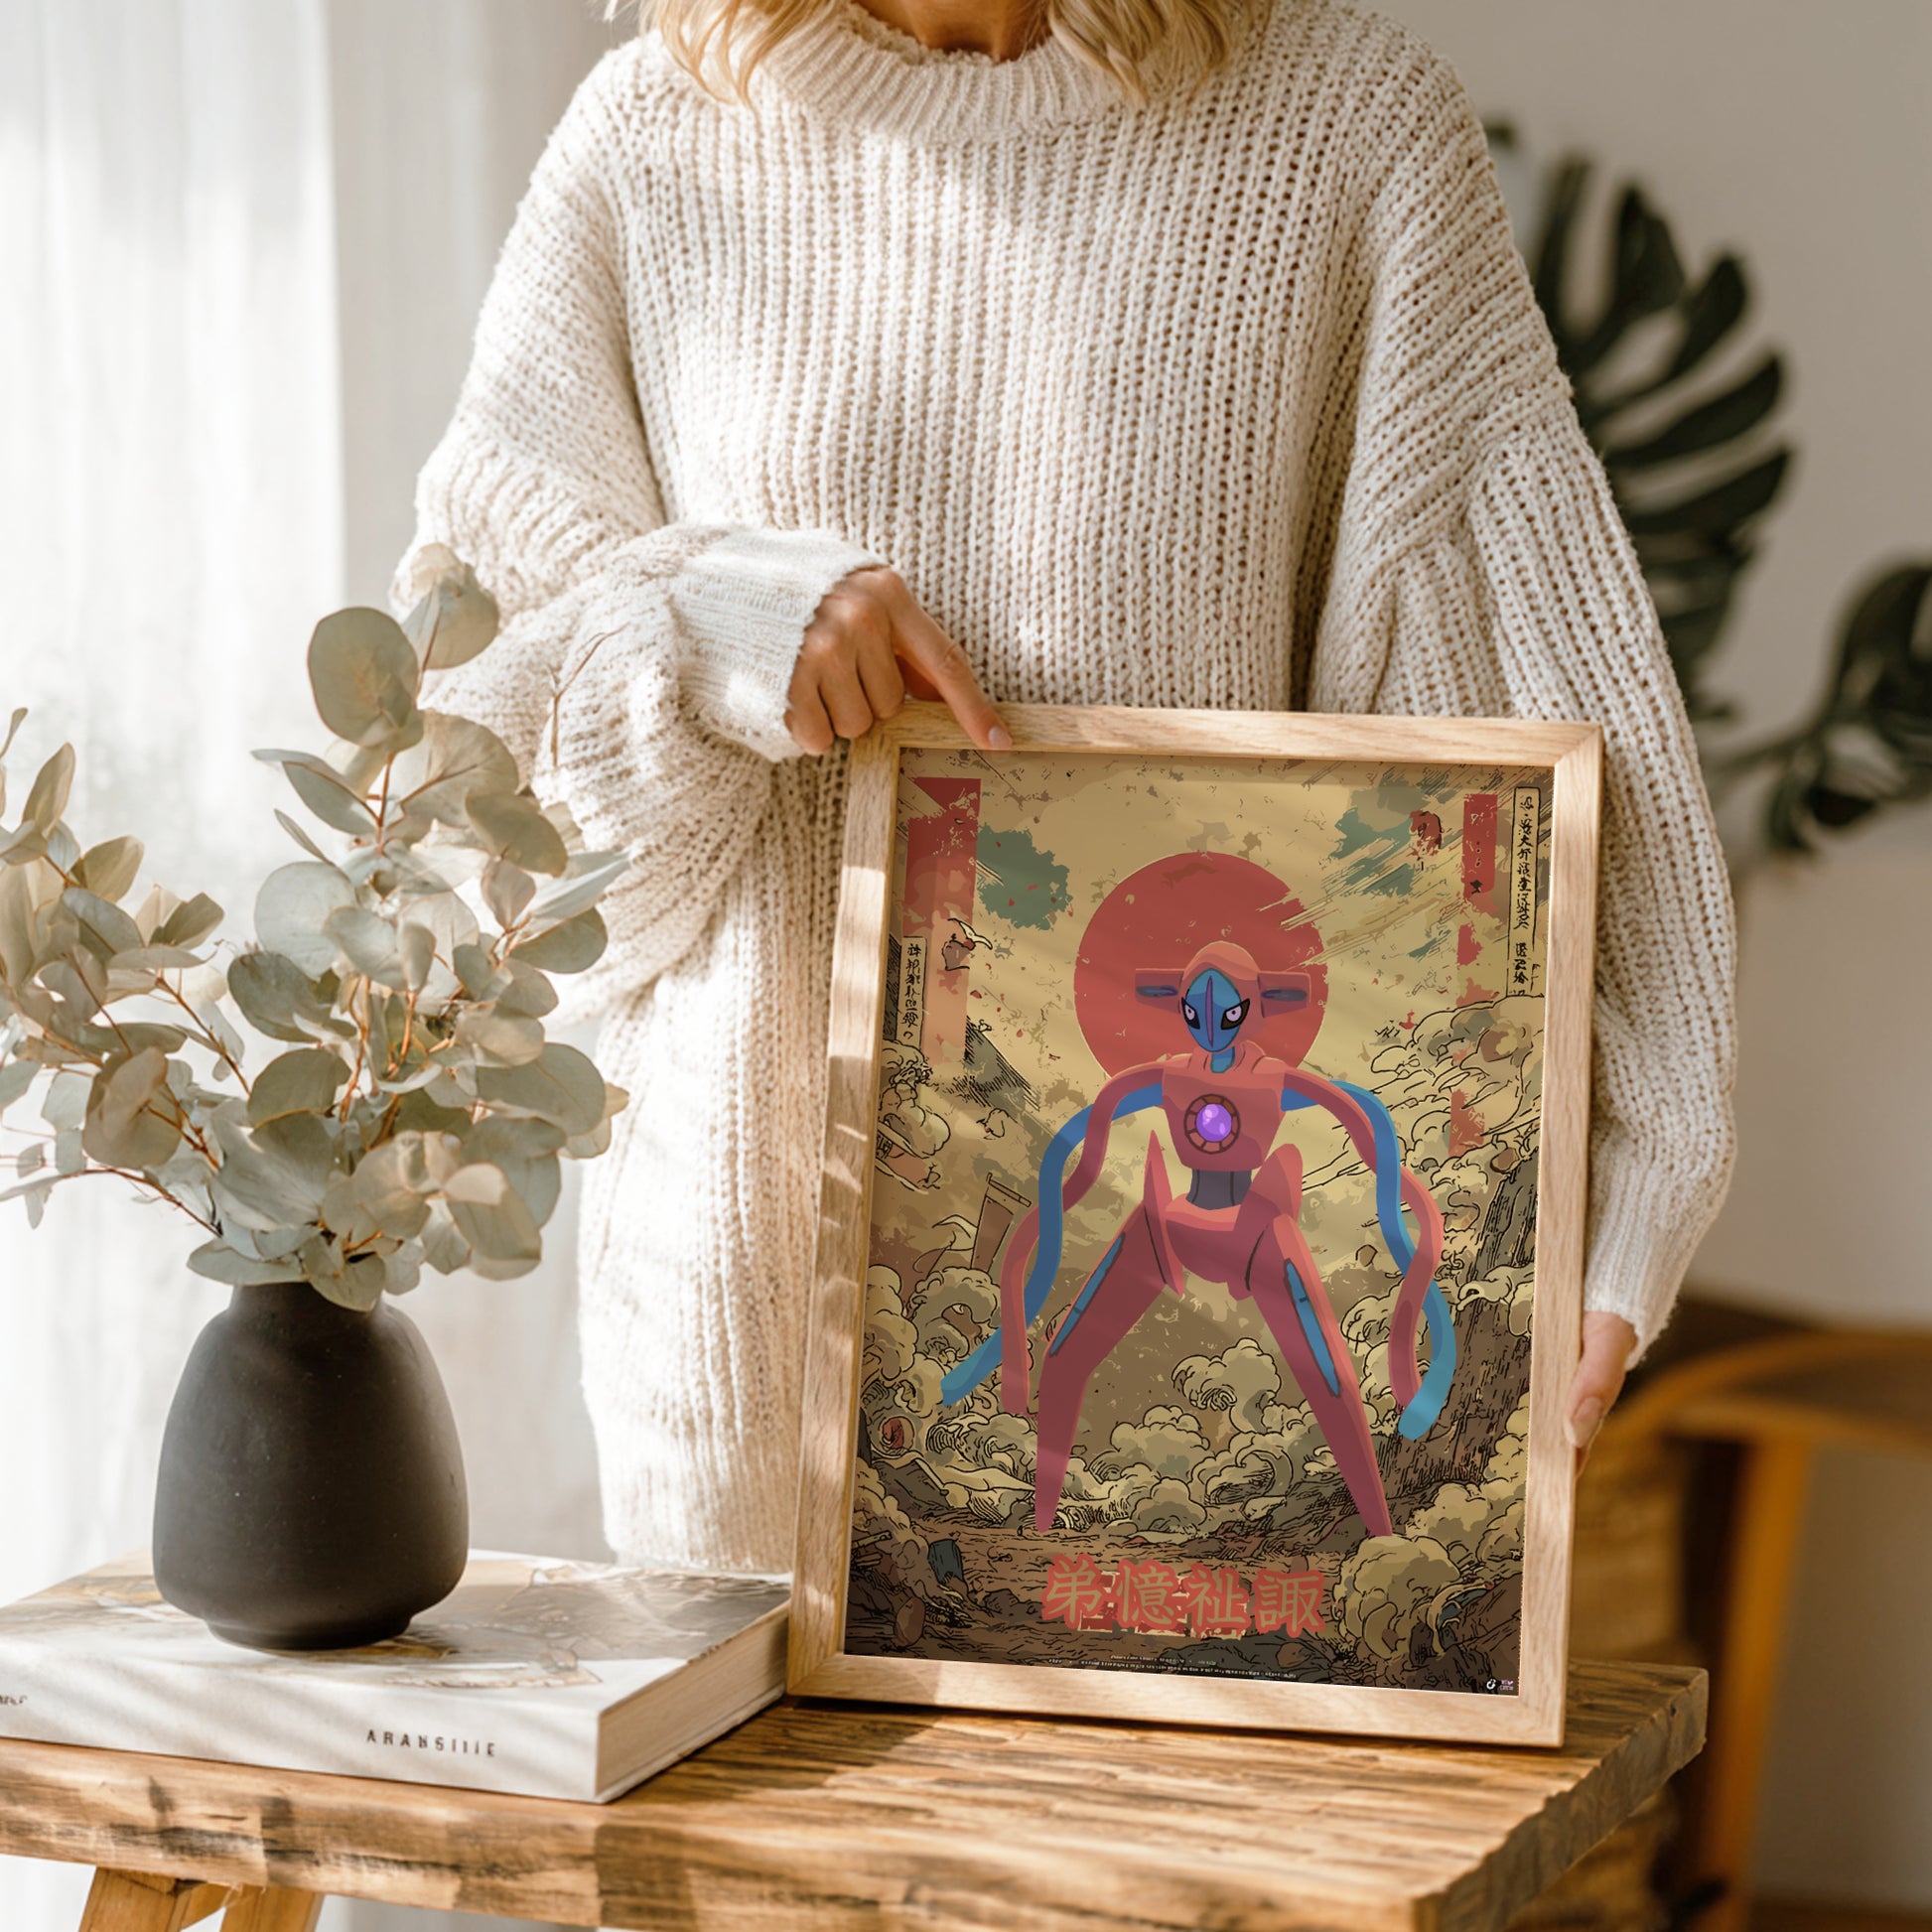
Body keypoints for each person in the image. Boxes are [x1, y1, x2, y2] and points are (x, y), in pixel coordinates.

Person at [392, 0, 1736, 1576]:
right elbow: (465, 822)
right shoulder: (649, 142)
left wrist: (1623, 1172)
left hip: (1213, 1423)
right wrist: (705, 622)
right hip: (740, 1361)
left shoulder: (1344, 129)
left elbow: (1515, 716)